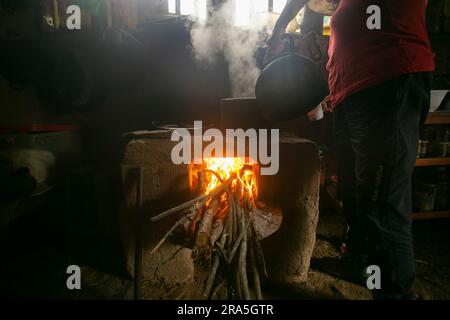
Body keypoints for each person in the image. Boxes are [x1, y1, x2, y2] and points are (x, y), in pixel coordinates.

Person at [266, 0, 435, 300]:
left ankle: (394, 293)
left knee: (381, 204)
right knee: (352, 191)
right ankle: (359, 260)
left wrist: (281, 27)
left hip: (387, 83)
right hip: (352, 94)